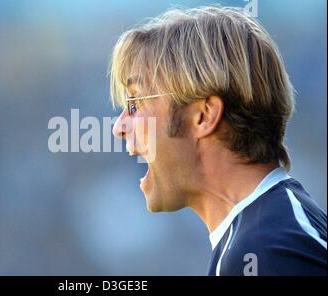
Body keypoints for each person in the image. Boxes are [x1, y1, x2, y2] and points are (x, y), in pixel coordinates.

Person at [109, 6, 326, 276]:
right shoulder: (267, 235)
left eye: (136, 102)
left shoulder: (265, 251)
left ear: (204, 116)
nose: (118, 126)